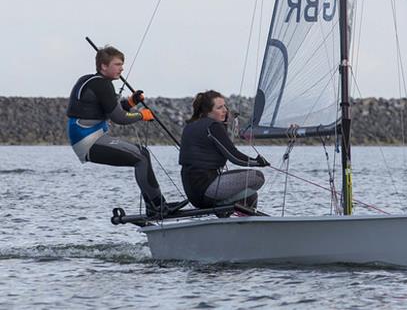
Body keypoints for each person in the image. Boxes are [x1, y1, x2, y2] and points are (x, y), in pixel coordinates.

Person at [66, 45, 187, 217]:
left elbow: (111, 110)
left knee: (142, 154)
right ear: (103, 67)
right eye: (117, 64)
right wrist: (141, 115)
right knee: (141, 157)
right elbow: (119, 118)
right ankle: (157, 207)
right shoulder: (103, 85)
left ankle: (156, 205)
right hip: (88, 140)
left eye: (122, 64)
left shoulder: (93, 81)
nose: (122, 68)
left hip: (88, 137)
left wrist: (131, 102)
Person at [179, 90, 269, 210]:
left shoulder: (190, 126)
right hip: (207, 189)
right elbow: (234, 157)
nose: (225, 110)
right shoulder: (213, 126)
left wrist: (224, 125)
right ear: (208, 111)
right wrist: (257, 162)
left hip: (193, 193)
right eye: (219, 107)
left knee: (250, 196)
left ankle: (236, 222)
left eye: (225, 106)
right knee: (257, 177)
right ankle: (222, 206)